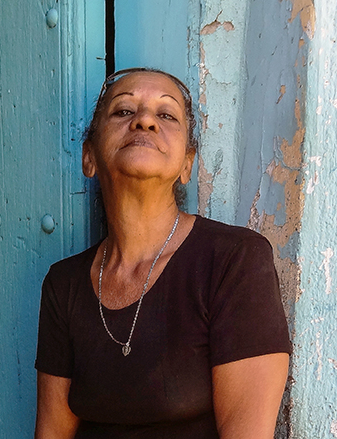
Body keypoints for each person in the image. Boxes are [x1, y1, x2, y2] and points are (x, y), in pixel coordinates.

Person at [34, 68, 291, 438]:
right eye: (124, 111)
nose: (144, 122)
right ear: (88, 157)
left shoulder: (233, 261)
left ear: (187, 164)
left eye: (166, 115)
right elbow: (52, 433)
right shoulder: (64, 284)